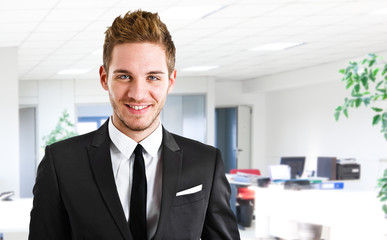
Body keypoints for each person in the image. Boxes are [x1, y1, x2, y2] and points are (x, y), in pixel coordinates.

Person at [29, 10, 240, 240]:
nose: (138, 94)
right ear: (104, 78)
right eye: (124, 76)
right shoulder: (60, 163)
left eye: (153, 77)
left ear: (170, 81)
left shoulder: (205, 163)